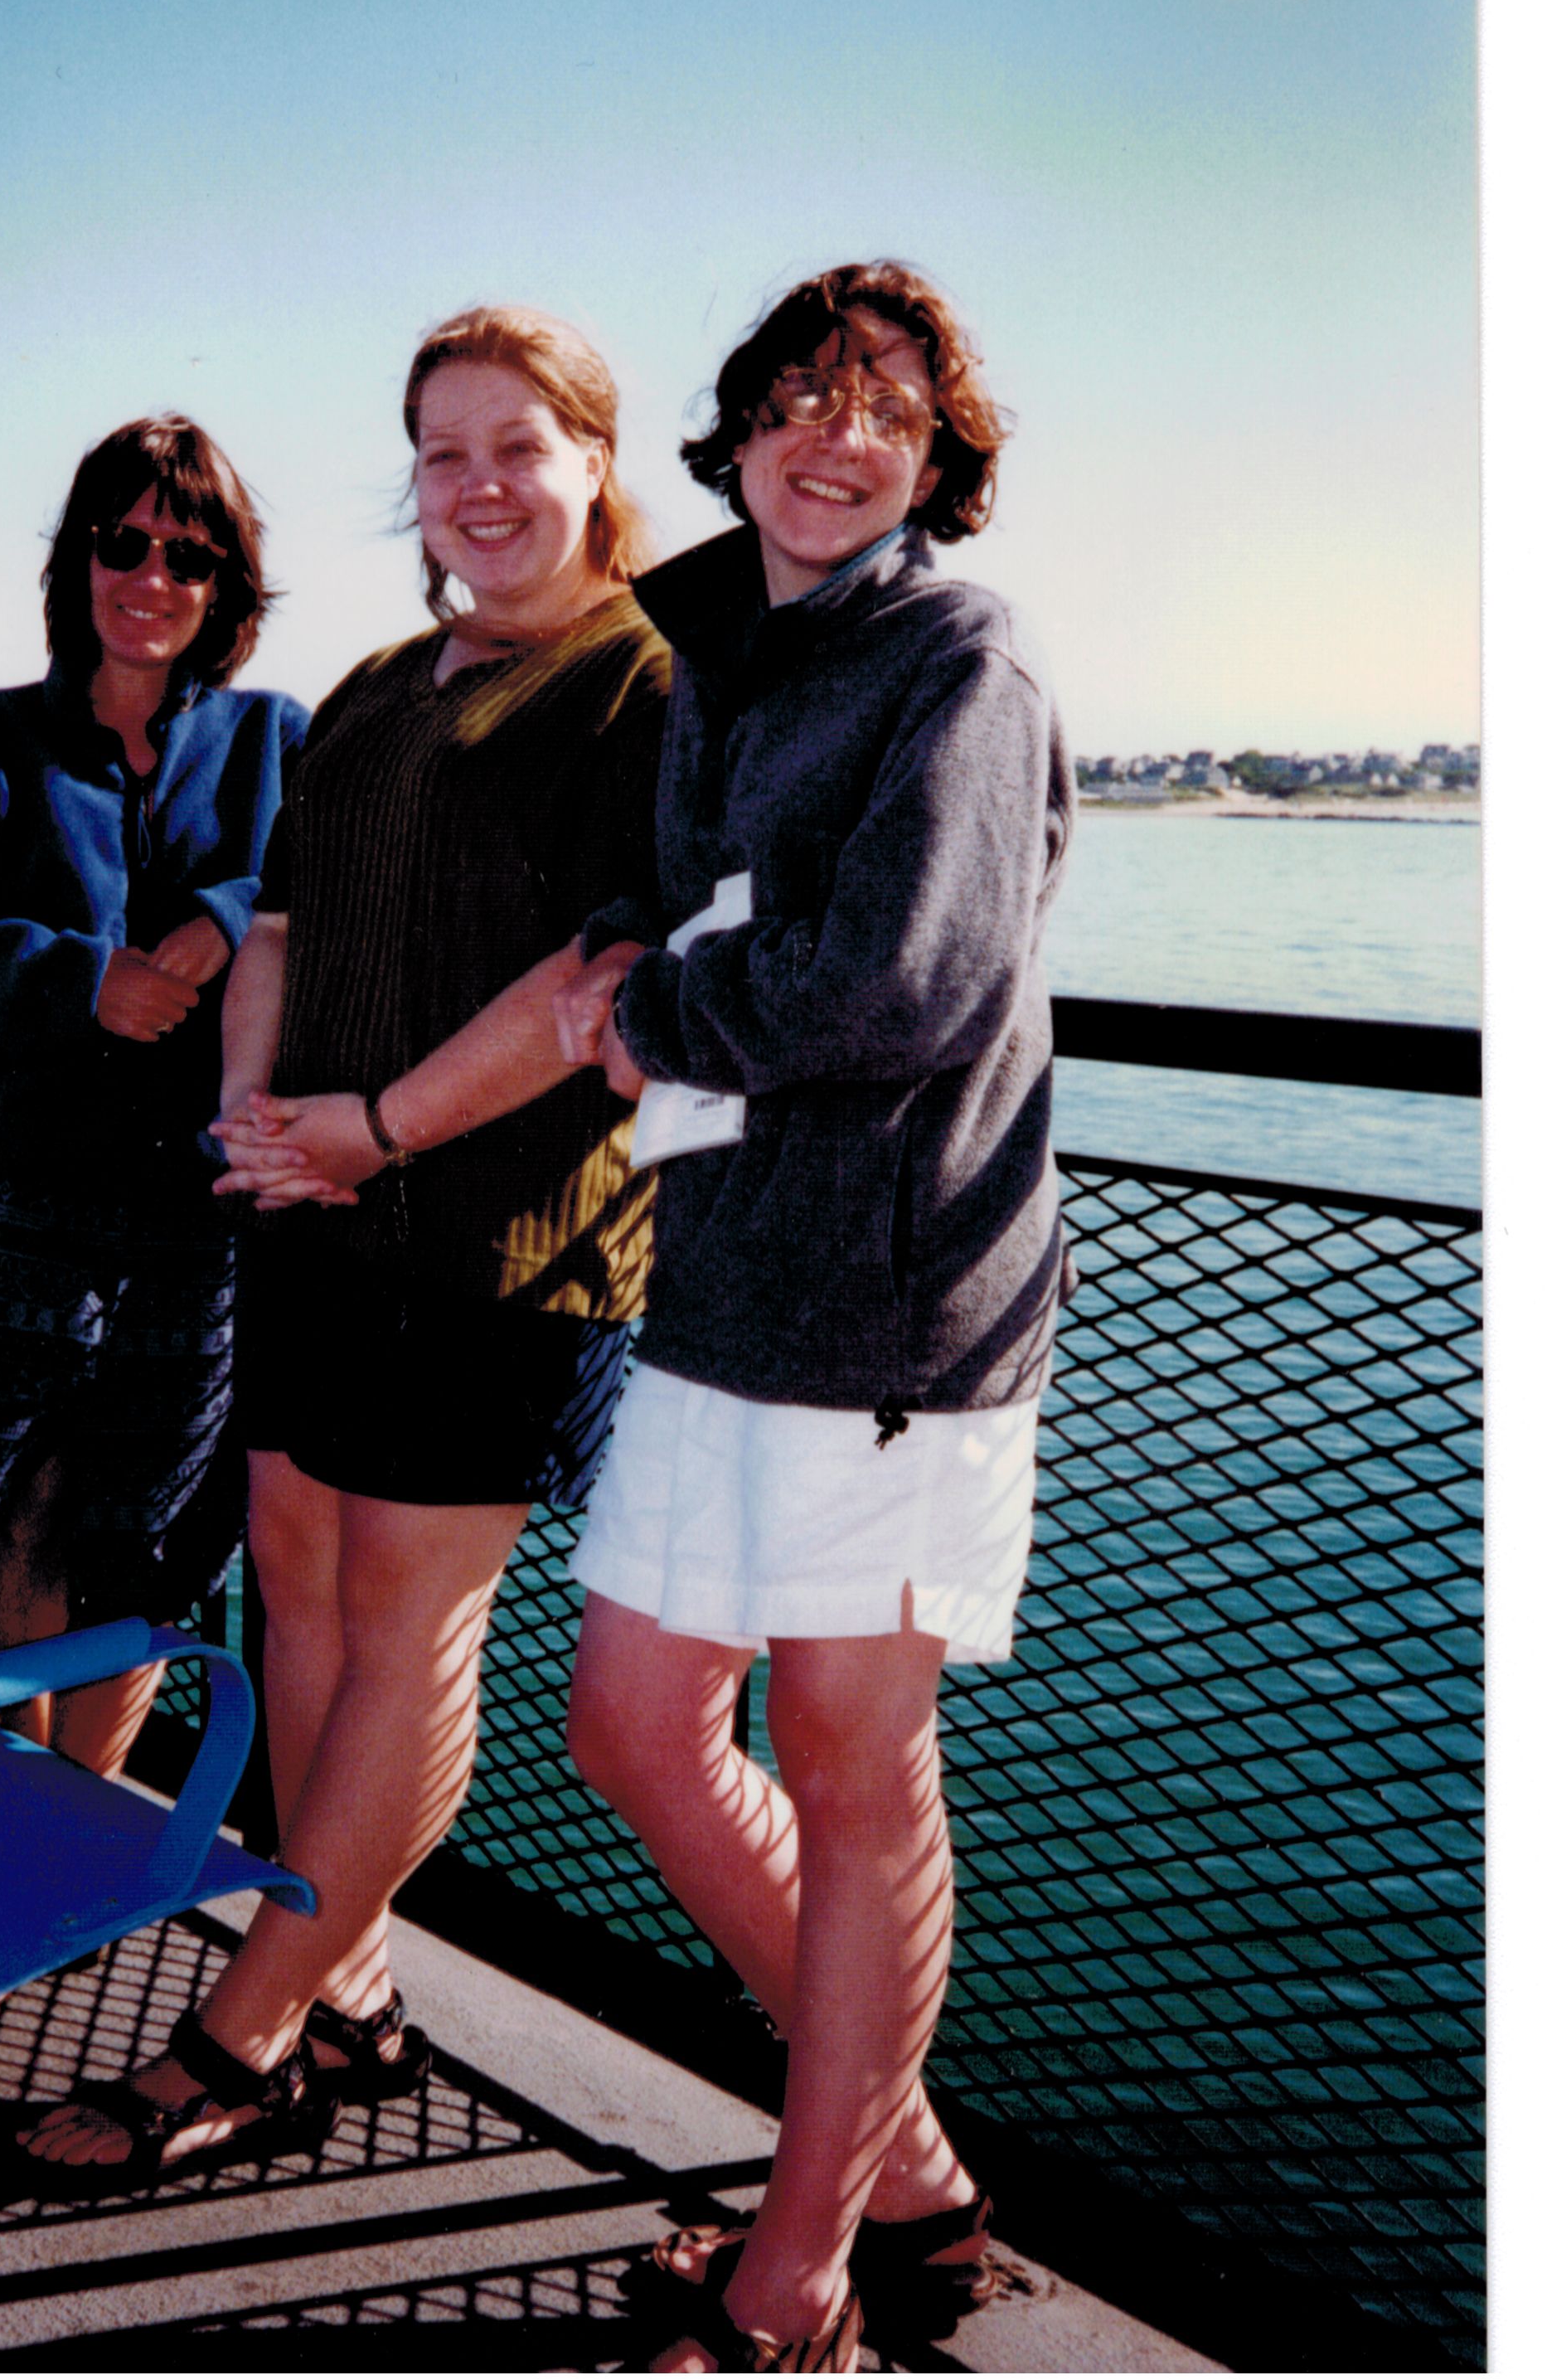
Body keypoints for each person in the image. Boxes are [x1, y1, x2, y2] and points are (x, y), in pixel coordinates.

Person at [22, 306, 672, 2174]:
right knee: (297, 1590)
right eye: (443, 451)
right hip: (311, 1211)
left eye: (517, 445)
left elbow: (591, 985)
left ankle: (242, 2035)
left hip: (501, 1242)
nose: (479, 485)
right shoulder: (383, 684)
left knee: (410, 1633)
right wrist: (255, 1118)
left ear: (592, 462)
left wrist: (371, 1130)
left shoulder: (644, 688)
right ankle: (348, 1992)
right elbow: (282, 931)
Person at [552, 262, 1073, 2372]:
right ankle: (910, 2175)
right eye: (798, 394)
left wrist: (656, 1011)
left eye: (885, 409)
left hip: (891, 1309)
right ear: (741, 427)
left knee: (856, 1775)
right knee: (630, 1722)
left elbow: (899, 980)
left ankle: (796, 2284)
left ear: (939, 458)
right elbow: (696, 901)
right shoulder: (720, 655)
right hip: (722, 1278)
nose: (835, 437)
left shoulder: (961, 658)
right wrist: (635, 955)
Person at [0, 415, 305, 1780]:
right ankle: (9, 1799)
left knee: (145, 1531)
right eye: (124, 543)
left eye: (190, 555)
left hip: (195, 1217)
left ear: (227, 586)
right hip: (13, 1211)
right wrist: (80, 981)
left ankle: (81, 1804)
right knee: (12, 1508)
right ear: (79, 561)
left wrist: (229, 917)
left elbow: (334, 894)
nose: (152, 577)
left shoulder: (276, 741)